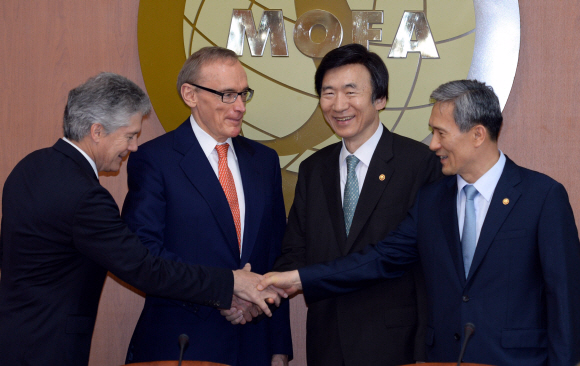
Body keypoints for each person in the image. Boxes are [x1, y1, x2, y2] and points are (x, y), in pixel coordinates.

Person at [260, 80, 580, 365]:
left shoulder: (541, 196)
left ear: (478, 134)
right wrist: (301, 278)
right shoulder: (432, 200)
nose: (432, 145)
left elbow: (564, 299)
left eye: (441, 133)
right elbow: (380, 258)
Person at [0, 72, 283, 366]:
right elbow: (144, 268)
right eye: (130, 135)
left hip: (14, 337)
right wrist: (230, 283)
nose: (133, 147)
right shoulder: (86, 197)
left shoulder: (30, 167)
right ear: (97, 131)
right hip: (50, 348)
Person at [272, 43, 441, 365]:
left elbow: (403, 255)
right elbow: (295, 249)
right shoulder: (313, 168)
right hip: (327, 342)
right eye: (328, 93)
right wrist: (265, 287)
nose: (338, 105)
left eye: (351, 92)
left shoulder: (418, 164)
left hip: (395, 343)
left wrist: (297, 280)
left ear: (380, 99)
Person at [122, 47, 292, 366]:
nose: (240, 106)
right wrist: (223, 292)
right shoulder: (155, 160)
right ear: (190, 94)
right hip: (183, 344)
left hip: (254, 343)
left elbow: (275, 255)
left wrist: (278, 345)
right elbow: (143, 254)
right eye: (227, 95)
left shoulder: (264, 161)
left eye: (244, 94)